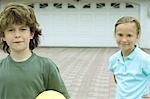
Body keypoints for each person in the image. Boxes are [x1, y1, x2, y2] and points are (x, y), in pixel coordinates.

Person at [0, 2, 70, 99]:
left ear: (32, 34)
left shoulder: (47, 66)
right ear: (3, 36)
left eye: (23, 29)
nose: (17, 35)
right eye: (11, 30)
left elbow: (61, 96)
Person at [108, 16, 150, 99]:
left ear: (137, 36)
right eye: (120, 35)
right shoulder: (113, 59)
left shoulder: (145, 59)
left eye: (129, 35)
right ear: (114, 34)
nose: (124, 40)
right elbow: (118, 80)